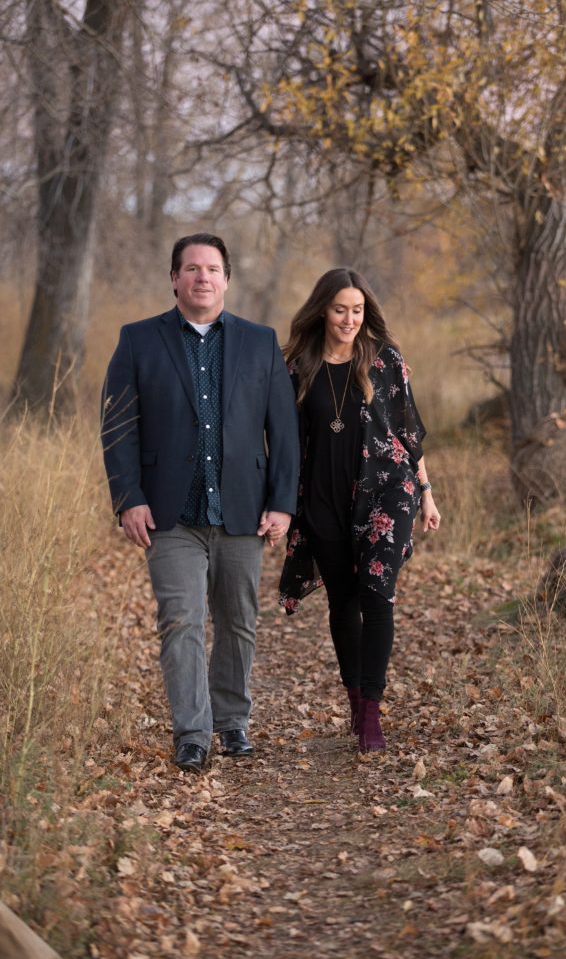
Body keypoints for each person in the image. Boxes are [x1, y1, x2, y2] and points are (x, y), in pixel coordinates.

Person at [101, 233, 299, 773]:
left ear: (227, 279)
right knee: (181, 620)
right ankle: (194, 731)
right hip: (168, 513)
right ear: (174, 279)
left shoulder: (260, 343)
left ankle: (232, 721)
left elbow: (283, 431)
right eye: (191, 268)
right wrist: (128, 498)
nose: (202, 277)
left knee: (238, 621)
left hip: (242, 508)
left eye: (212, 268)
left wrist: (283, 503)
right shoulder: (138, 340)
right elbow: (118, 428)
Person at [278, 268, 440, 752]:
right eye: (339, 309)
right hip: (324, 495)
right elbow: (285, 440)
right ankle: (354, 698)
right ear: (322, 311)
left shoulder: (386, 360)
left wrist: (427, 492)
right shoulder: (298, 367)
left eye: (357, 310)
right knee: (343, 602)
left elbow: (409, 433)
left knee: (377, 593)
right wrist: (282, 504)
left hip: (386, 492)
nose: (349, 319)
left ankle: (371, 712)